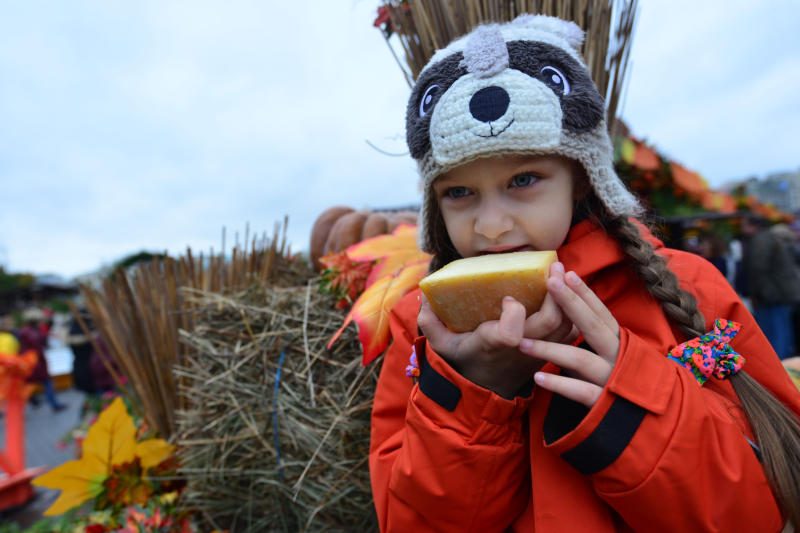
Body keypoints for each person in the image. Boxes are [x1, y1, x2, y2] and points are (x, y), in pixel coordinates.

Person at [369, 15, 800, 533]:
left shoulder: (689, 286)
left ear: (579, 179)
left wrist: (639, 412)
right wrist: (478, 394)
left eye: (523, 179)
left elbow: (764, 506)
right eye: (459, 193)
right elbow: (407, 523)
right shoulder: (419, 324)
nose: (491, 226)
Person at [740, 215, 800, 359]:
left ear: (752, 226)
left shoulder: (761, 240)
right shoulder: (768, 238)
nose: (742, 228)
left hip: (771, 296)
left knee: (775, 338)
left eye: (744, 225)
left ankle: (782, 371)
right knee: (782, 335)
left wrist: (758, 295)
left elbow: (758, 269)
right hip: (778, 294)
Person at [18, 308, 67, 412]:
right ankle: (53, 403)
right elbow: (38, 349)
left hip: (31, 363)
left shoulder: (27, 331)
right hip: (36, 363)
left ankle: (34, 401)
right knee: (47, 382)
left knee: (32, 383)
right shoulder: (32, 333)